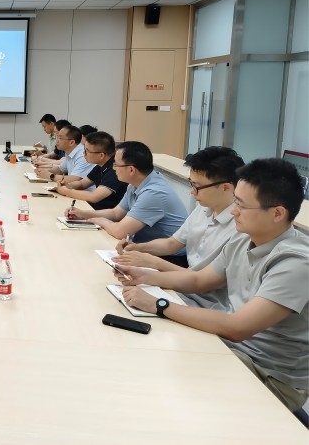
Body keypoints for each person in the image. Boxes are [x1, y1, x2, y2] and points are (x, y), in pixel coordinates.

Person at [113, 158, 308, 415]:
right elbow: (198, 280)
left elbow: (237, 328)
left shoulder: (295, 263)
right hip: (230, 348)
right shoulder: (243, 239)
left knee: (169, 391)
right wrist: (145, 276)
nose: (234, 211)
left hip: (268, 373)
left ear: (277, 213)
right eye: (235, 201)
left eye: (242, 205)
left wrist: (158, 304)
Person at [113, 146, 244, 309]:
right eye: (191, 184)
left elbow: (201, 281)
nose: (192, 192)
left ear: (226, 187)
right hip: (182, 289)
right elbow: (171, 243)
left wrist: (152, 262)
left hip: (207, 304)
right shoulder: (204, 208)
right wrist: (138, 247)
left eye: (197, 186)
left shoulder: (240, 228)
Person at [66, 141, 188, 245]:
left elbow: (120, 232)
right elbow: (116, 213)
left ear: (131, 170)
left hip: (168, 257)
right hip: (144, 247)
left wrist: (99, 220)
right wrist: (83, 214)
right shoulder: (136, 183)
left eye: (116, 164)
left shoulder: (153, 193)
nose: (113, 168)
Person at [55, 131, 127, 210]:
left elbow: (94, 197)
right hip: (96, 209)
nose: (83, 153)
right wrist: (67, 185)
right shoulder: (100, 165)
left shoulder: (115, 170)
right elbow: (82, 184)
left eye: (87, 151)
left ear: (101, 155)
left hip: (106, 213)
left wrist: (65, 191)